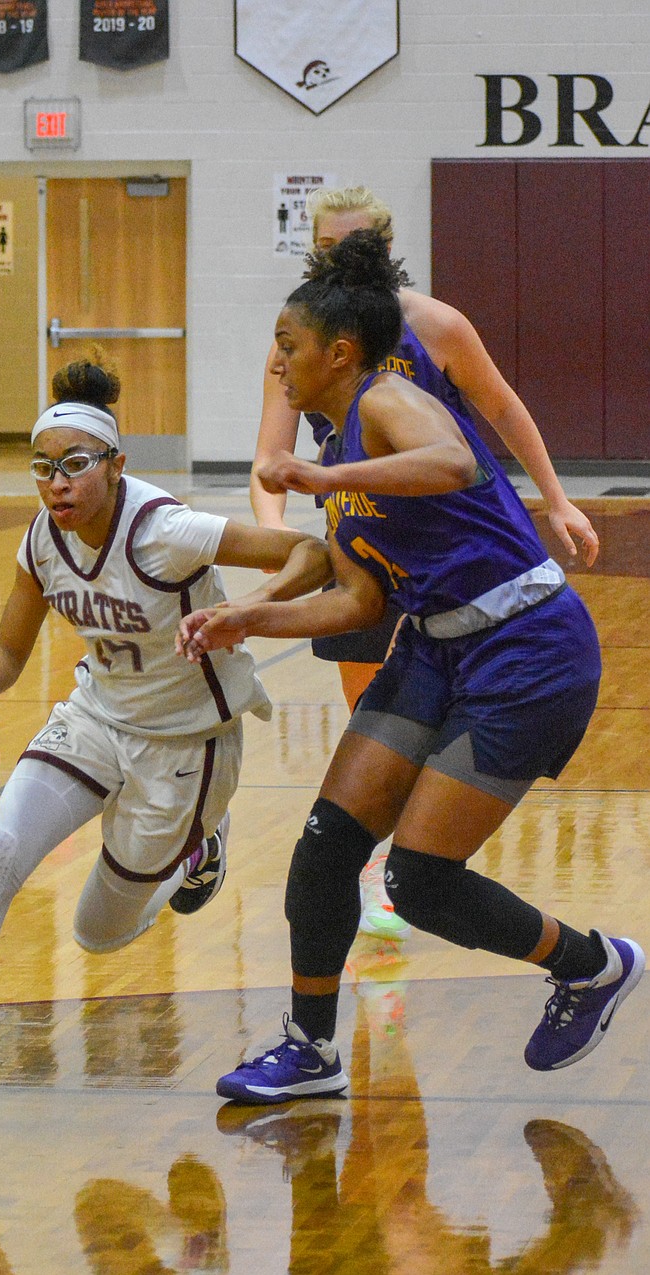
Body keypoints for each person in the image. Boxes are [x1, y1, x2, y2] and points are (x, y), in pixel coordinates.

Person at [179, 230, 643, 1104]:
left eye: (289, 346)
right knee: (325, 849)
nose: (277, 363)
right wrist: (252, 616)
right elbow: (358, 600)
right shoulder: (334, 433)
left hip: (530, 648)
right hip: (434, 643)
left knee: (420, 880)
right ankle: (310, 1050)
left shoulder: (386, 399)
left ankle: (591, 965)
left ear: (339, 352)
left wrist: (322, 478)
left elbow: (458, 459)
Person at [0, 355, 331, 1098]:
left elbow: (312, 550)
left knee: (96, 933)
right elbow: (11, 649)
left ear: (115, 465)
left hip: (187, 741)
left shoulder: (164, 530)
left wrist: (250, 610)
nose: (56, 483)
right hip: (96, 716)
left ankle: (201, 844)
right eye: (42, 467)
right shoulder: (42, 540)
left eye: (75, 465)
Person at [250, 185, 601, 943]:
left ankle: (412, 849)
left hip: (457, 539)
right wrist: (279, 544)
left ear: (383, 247)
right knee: (370, 712)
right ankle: (374, 852)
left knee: (426, 822)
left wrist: (557, 499)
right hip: (373, 540)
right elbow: (268, 458)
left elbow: (499, 411)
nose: (344, 263)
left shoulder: (431, 328)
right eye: (330, 251)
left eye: (358, 248)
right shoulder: (305, 341)